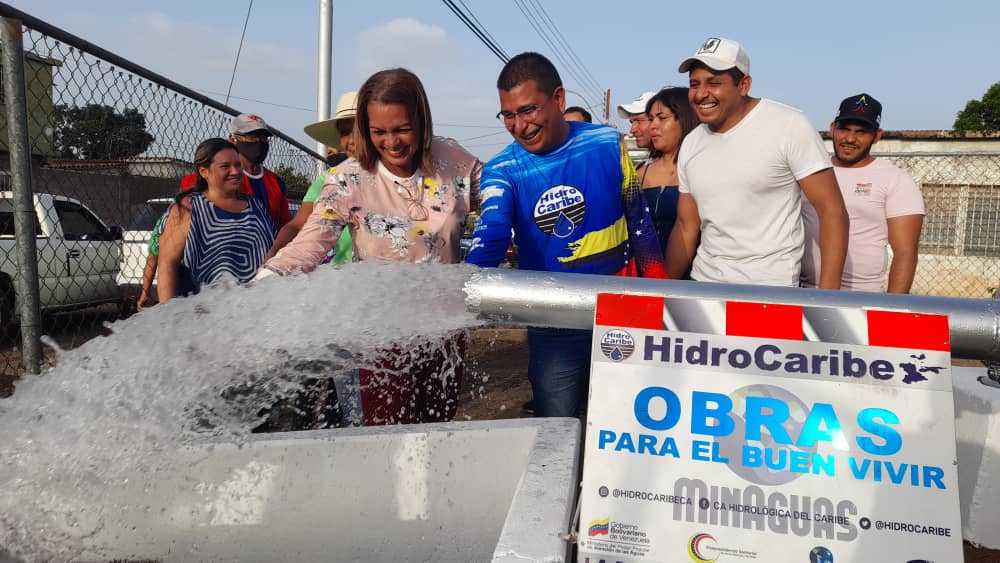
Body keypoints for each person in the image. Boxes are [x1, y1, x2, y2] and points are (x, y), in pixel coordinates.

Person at [259, 68, 482, 426]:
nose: (392, 142)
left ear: (422, 121)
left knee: (438, 428)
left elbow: (503, 197)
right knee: (388, 433)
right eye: (379, 132)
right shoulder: (348, 180)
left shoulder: (454, 161)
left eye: (402, 129)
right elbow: (310, 243)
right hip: (383, 333)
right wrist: (258, 287)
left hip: (443, 329)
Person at [465, 52, 667, 418]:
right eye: (507, 115)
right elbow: (492, 232)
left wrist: (659, 298)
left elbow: (640, 223)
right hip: (553, 320)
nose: (519, 125)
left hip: (622, 309)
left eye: (528, 110)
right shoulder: (502, 169)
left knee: (624, 420)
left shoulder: (607, 143)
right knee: (557, 425)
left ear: (558, 99)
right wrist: (465, 284)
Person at [666, 37, 848, 288]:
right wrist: (663, 290)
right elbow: (686, 225)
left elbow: (832, 210)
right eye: (694, 84)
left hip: (770, 289)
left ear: (744, 85)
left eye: (714, 83)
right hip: (704, 284)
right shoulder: (692, 142)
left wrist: (828, 299)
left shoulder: (789, 125)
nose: (700, 94)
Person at [801, 94, 925, 293]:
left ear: (877, 136)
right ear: (832, 128)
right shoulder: (810, 172)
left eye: (862, 132)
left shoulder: (896, 179)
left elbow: (905, 253)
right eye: (844, 129)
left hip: (861, 296)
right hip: (801, 291)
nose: (850, 138)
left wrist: (891, 306)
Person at [157, 138, 276, 302]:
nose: (235, 171)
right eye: (225, 166)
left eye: (238, 165)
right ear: (204, 171)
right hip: (204, 310)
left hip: (255, 306)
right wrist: (167, 312)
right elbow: (167, 264)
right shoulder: (188, 208)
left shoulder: (255, 206)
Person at [264, 91, 360, 263]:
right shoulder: (331, 179)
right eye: (345, 133)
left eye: (358, 131)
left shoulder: (399, 179)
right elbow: (299, 224)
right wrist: (273, 256)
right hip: (343, 274)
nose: (352, 140)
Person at [179, 114, 292, 233]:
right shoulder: (206, 179)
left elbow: (285, 225)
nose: (258, 141)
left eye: (263, 137)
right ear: (233, 139)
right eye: (251, 136)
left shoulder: (276, 182)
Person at [641, 87, 699, 251]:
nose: (653, 126)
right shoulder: (638, 174)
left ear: (685, 119)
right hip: (642, 265)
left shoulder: (704, 170)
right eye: (651, 119)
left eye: (662, 118)